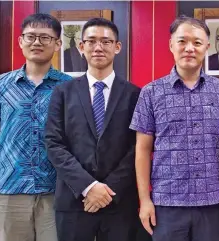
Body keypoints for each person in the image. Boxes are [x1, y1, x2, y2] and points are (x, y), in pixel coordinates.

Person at [130, 16, 219, 241]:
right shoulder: (151, 92)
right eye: (182, 41)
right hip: (166, 204)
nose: (189, 48)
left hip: (213, 201)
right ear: (171, 45)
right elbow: (142, 149)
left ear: (207, 47)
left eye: (197, 43)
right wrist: (145, 200)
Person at [45, 18, 141, 241]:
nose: (98, 47)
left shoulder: (135, 94)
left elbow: (138, 147)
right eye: (92, 41)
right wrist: (88, 187)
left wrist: (107, 190)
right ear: (81, 47)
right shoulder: (63, 92)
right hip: (74, 199)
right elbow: (53, 143)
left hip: (119, 202)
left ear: (117, 47)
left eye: (106, 41)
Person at [0, 13, 72, 241]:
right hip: (10, 187)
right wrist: (15, 156)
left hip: (57, 189)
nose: (36, 42)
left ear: (57, 43)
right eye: (30, 36)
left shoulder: (70, 87)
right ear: (20, 41)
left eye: (45, 37)